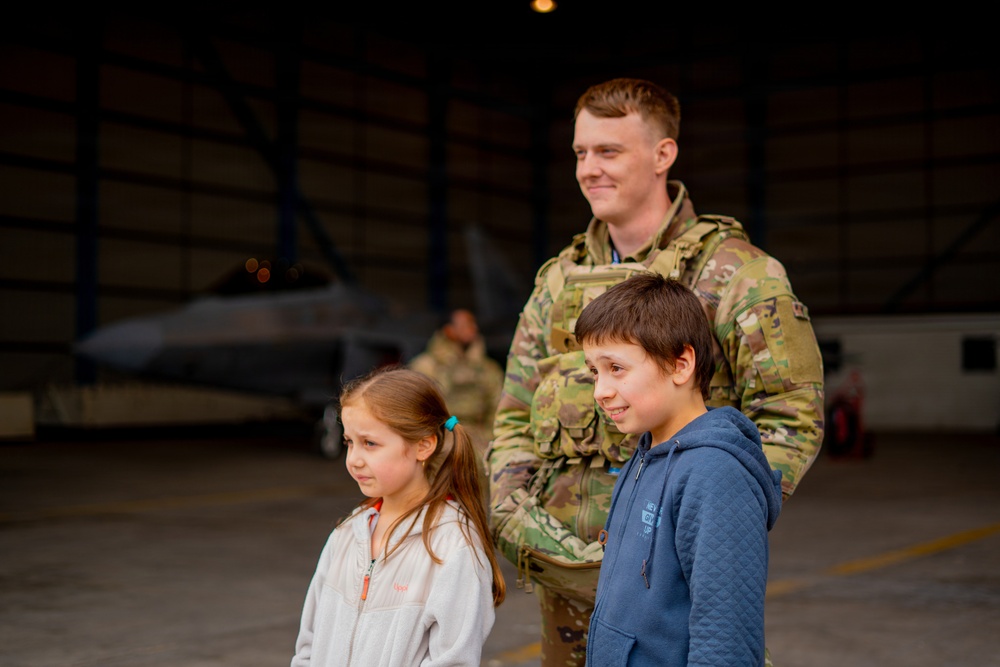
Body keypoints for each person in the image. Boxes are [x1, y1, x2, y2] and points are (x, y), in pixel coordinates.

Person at [488, 77, 824, 665]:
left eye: (609, 151)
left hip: (671, 585)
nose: (588, 168)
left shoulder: (736, 274)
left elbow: (790, 418)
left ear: (663, 154)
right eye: (580, 153)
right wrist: (517, 519)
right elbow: (515, 414)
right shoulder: (556, 282)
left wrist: (716, 525)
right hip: (561, 581)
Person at [577, 273, 782, 667]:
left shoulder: (715, 474)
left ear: (680, 364)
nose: (599, 390)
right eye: (594, 371)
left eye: (615, 368)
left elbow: (726, 642)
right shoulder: (646, 451)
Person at [291, 366, 506, 667]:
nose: (354, 460)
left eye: (370, 443)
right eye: (349, 442)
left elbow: (453, 660)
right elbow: (308, 646)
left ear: (423, 446)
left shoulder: (452, 547)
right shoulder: (347, 533)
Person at [409, 308, 504, 456]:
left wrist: (489, 438)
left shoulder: (487, 369)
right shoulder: (426, 366)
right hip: (438, 436)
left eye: (473, 324)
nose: (473, 329)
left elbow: (498, 407)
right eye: (465, 325)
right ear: (449, 330)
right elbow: (415, 408)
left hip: (480, 439)